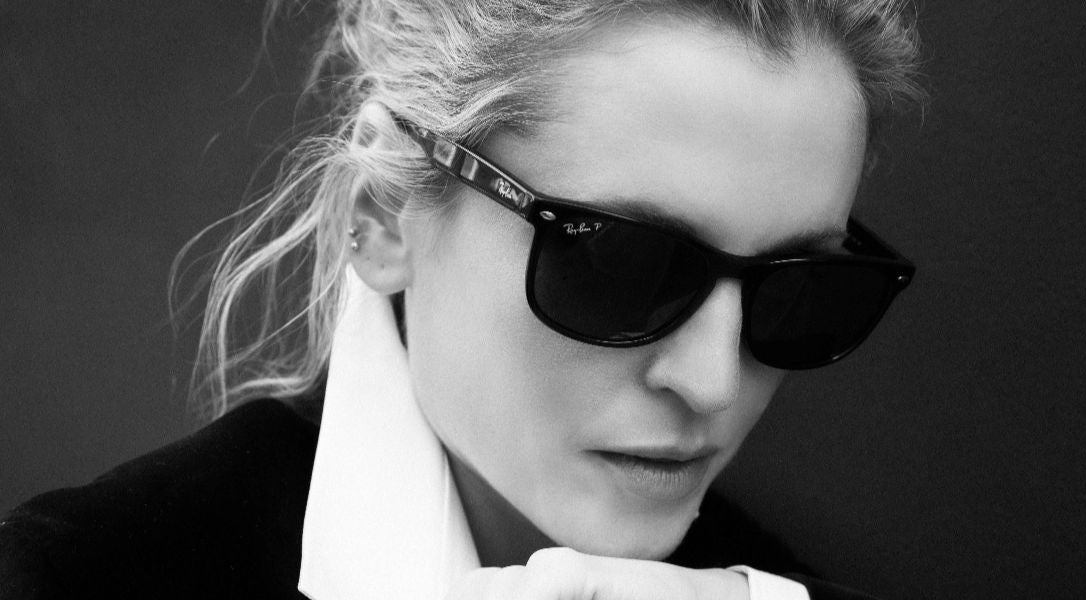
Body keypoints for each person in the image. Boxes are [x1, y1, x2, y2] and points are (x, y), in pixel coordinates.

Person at [0, 0, 923, 598]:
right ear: (385, 214)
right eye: (623, 263)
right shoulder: (74, 577)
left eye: (802, 287)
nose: (714, 382)